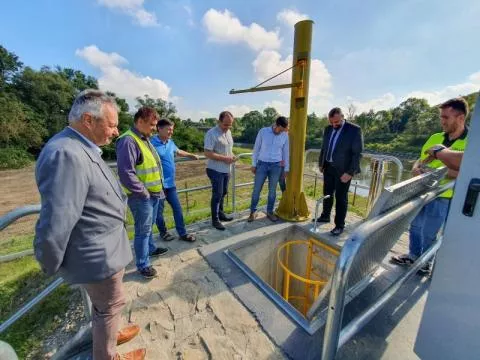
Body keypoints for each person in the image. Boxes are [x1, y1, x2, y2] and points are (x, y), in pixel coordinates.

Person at [34, 90, 145, 360]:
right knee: (109, 305)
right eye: (111, 124)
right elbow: (58, 219)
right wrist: (50, 262)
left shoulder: (79, 146)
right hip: (96, 256)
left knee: (106, 307)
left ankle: (109, 333)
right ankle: (107, 354)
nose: (116, 131)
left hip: (103, 248)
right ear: (88, 120)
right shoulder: (66, 154)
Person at [391, 97, 469, 275]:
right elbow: (420, 160)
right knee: (416, 225)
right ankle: (412, 255)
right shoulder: (435, 137)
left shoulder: (470, 144)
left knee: (429, 232)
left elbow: (466, 173)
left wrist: (436, 173)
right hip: (422, 189)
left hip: (443, 195)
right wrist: (416, 169)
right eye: (441, 117)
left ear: (460, 118)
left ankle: (425, 263)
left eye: (446, 117)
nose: (442, 121)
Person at [116, 107, 168, 280]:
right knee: (143, 231)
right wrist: (144, 193)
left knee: (148, 228)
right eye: (152, 125)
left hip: (153, 194)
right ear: (140, 122)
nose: (154, 128)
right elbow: (126, 173)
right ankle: (143, 264)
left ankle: (151, 249)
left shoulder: (143, 138)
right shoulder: (128, 141)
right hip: (141, 197)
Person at [316, 107, 363, 236]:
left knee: (341, 198)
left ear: (342, 117)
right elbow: (324, 147)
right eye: (331, 122)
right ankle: (325, 216)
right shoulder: (328, 129)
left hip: (344, 171)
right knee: (327, 193)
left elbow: (357, 153)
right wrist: (321, 163)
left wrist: (350, 172)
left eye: (336, 122)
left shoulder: (354, 130)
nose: (334, 125)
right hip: (328, 167)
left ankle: (339, 225)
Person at [151, 118, 197, 242]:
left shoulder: (170, 142)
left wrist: (190, 155)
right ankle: (163, 232)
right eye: (168, 129)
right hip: (157, 185)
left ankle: (182, 233)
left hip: (171, 184)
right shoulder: (151, 143)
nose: (171, 132)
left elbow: (177, 151)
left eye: (172, 129)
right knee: (158, 213)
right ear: (159, 129)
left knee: (177, 209)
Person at [248, 116, 289, 222]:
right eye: (281, 129)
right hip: (262, 164)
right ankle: (253, 212)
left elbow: (285, 152)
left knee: (272, 191)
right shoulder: (263, 131)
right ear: (276, 125)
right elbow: (256, 148)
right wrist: (253, 164)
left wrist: (286, 168)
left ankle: (270, 212)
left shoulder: (284, 135)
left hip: (276, 166)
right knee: (256, 189)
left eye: (283, 130)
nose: (281, 132)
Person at [204, 111, 236, 230]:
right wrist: (225, 158)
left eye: (230, 124)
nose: (228, 127)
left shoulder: (228, 132)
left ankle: (221, 214)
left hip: (226, 169)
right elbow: (207, 153)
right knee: (217, 194)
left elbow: (228, 149)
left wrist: (232, 156)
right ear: (219, 122)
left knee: (223, 192)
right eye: (225, 124)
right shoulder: (211, 133)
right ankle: (215, 220)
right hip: (214, 169)